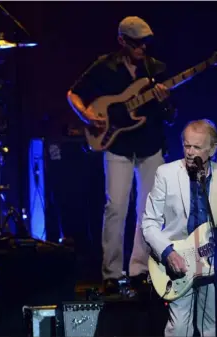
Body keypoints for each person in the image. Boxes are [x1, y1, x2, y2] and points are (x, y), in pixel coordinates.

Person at [66, 16, 177, 295]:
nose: (143, 48)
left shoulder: (156, 69)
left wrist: (165, 103)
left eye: (145, 42)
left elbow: (172, 116)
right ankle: (112, 274)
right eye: (137, 43)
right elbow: (73, 94)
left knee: (148, 211)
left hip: (150, 144)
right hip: (116, 145)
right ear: (122, 41)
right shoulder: (105, 66)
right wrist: (87, 114)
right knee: (115, 207)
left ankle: (140, 270)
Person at [142, 119, 217, 337]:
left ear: (213, 149)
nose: (190, 152)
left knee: (213, 328)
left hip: (215, 262)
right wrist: (167, 252)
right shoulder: (166, 174)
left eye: (197, 147)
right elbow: (149, 223)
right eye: (187, 145)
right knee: (179, 329)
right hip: (178, 263)